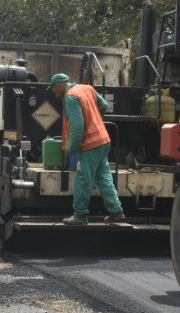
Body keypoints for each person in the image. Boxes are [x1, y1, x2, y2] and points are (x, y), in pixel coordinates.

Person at [49, 73, 125, 224]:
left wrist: (71, 148)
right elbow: (104, 105)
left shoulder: (70, 97)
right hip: (103, 139)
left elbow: (77, 126)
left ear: (58, 85)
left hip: (91, 143)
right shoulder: (87, 88)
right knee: (103, 177)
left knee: (84, 178)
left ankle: (80, 215)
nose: (54, 94)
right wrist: (94, 119)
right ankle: (116, 211)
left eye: (53, 90)